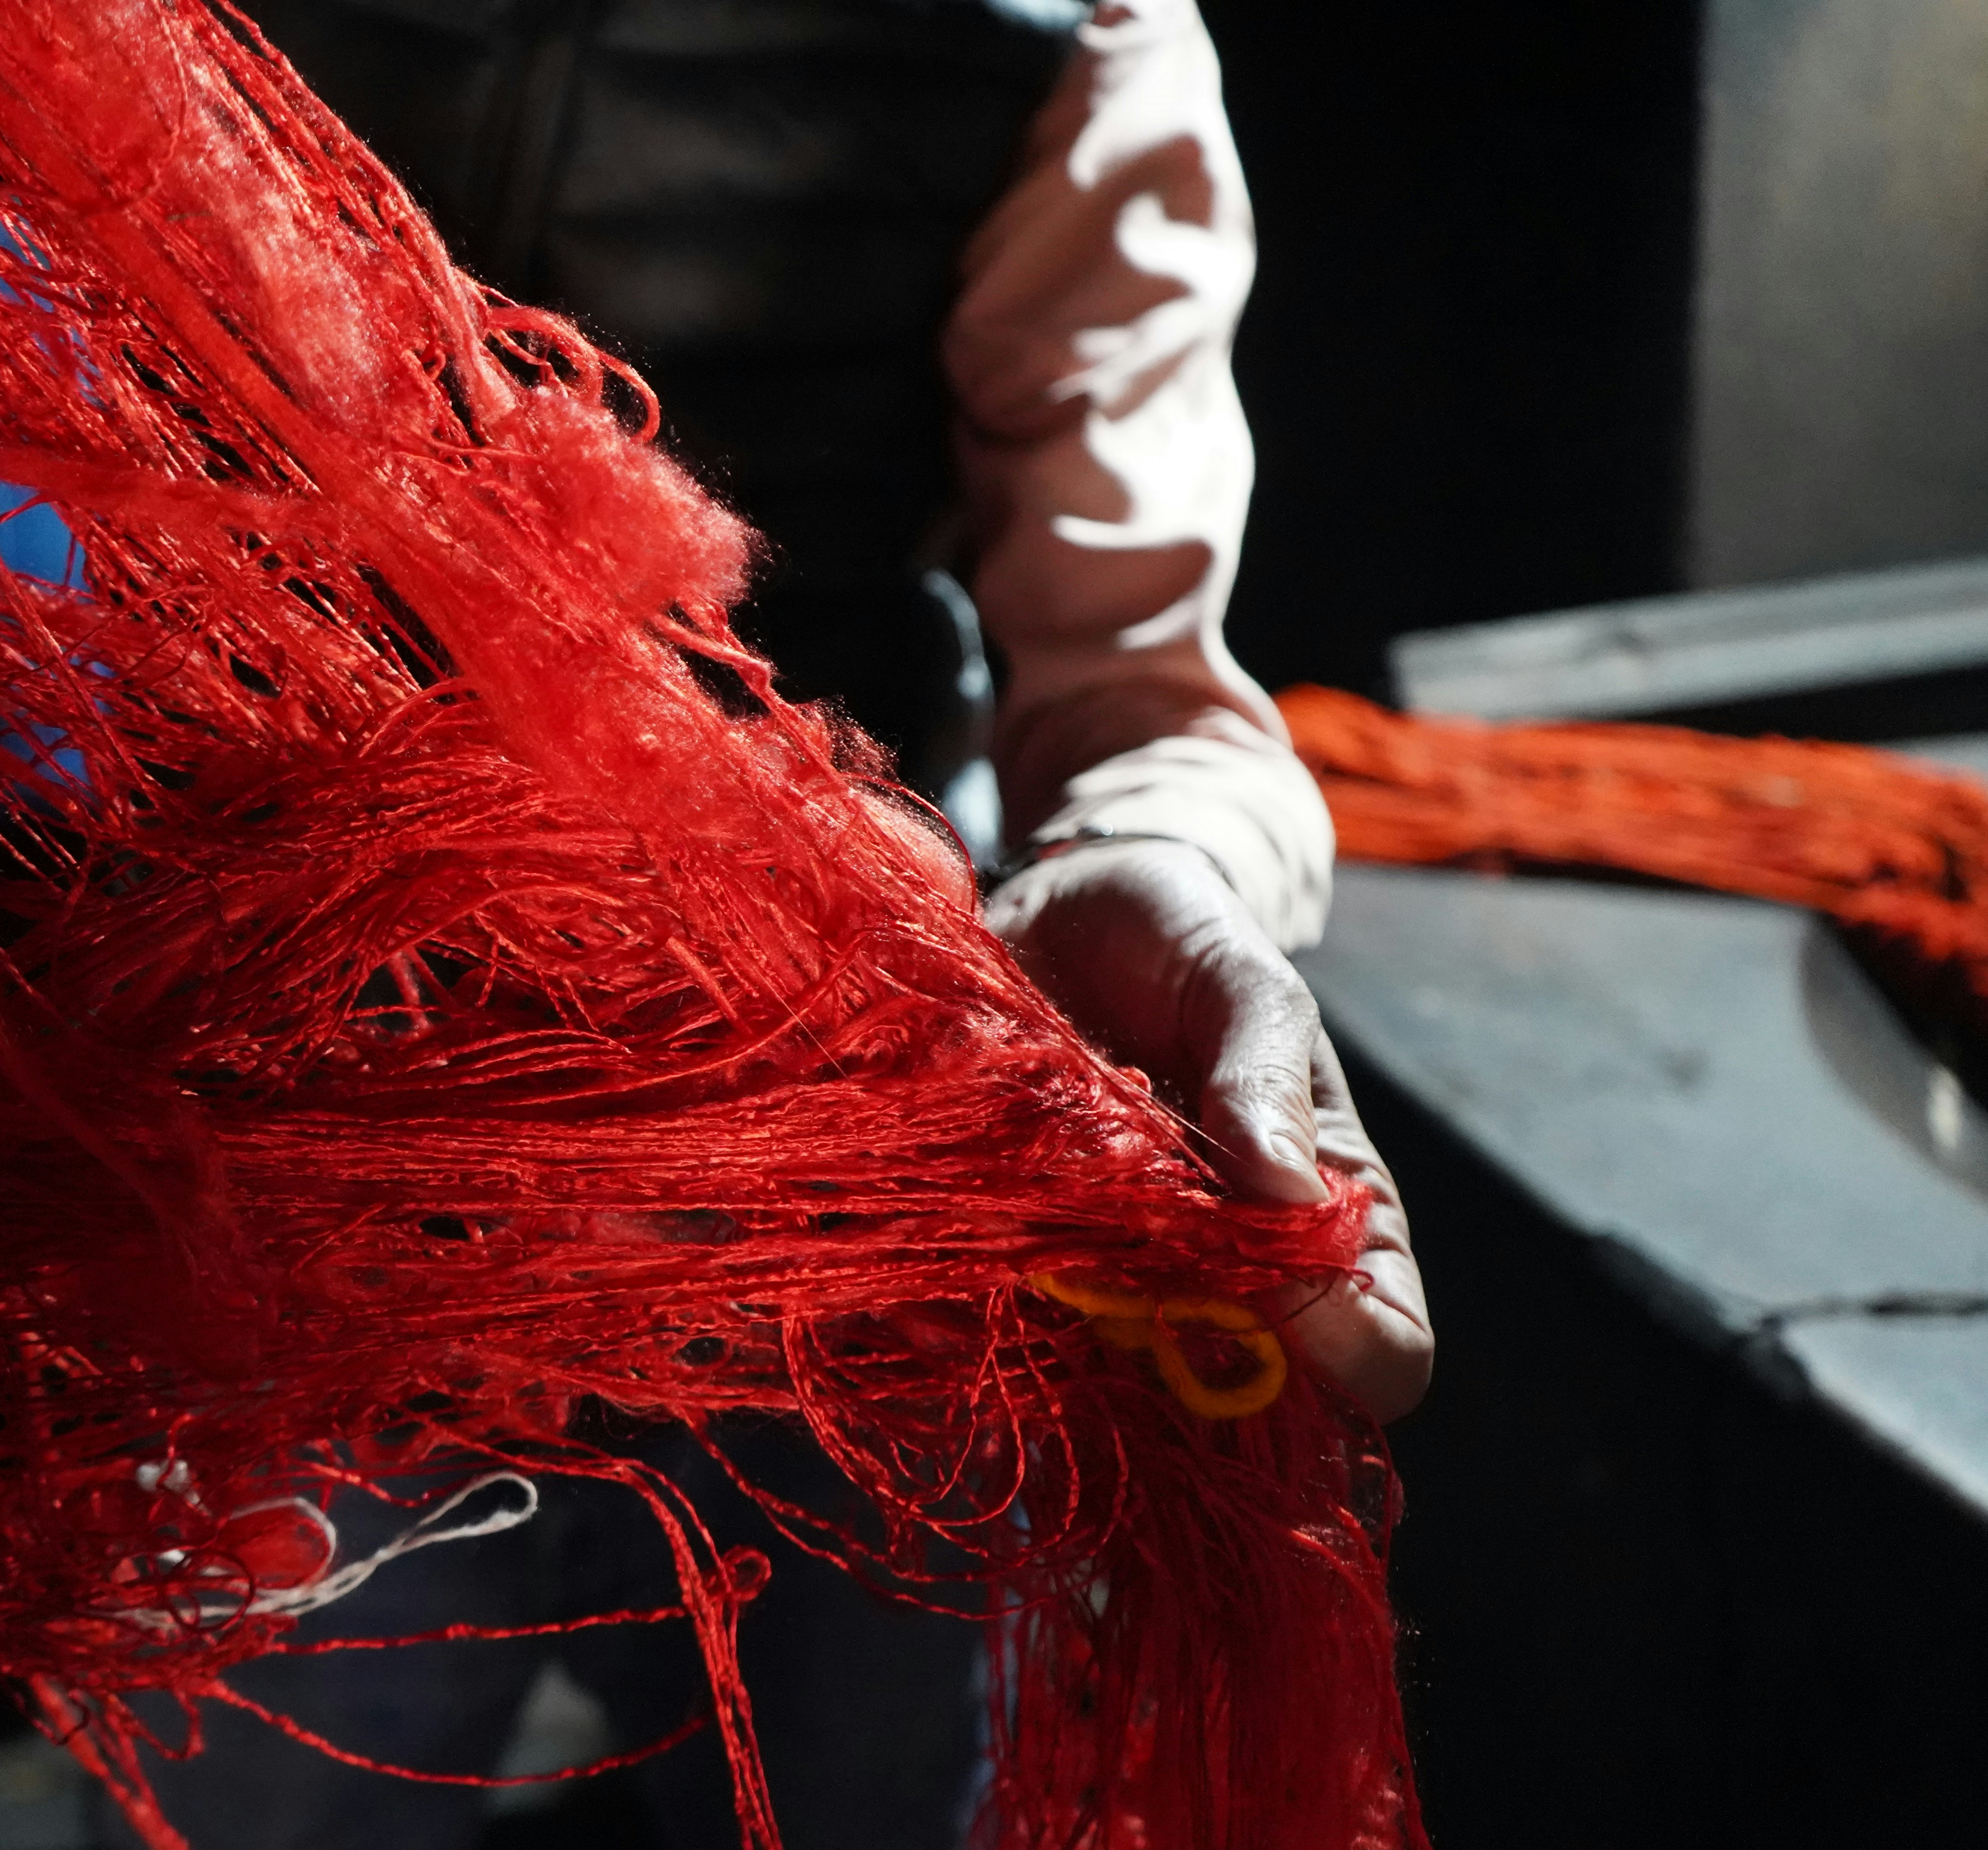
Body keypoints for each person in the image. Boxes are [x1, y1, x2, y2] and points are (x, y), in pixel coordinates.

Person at [112, 3, 1433, 1846]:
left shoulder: (1069, 32)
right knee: (280, 1786)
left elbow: (1133, 680)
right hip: (315, 1132)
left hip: (864, 1140)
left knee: (863, 1785)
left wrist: (1165, 857)